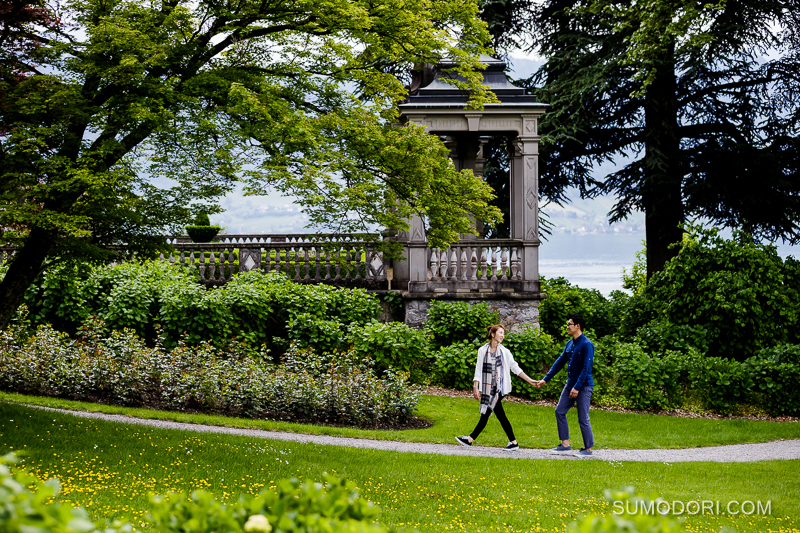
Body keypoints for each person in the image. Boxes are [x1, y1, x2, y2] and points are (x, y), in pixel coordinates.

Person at [455, 324, 539, 451]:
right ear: (493, 334)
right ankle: (513, 442)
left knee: (487, 413)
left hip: (500, 388)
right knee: (499, 415)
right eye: (500, 333)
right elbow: (478, 369)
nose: (502, 336)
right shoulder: (482, 350)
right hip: (488, 388)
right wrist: (475, 386)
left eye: (503, 334)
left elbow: (515, 368)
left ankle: (470, 439)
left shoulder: (505, 352)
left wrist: (530, 380)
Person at [533, 313, 595, 457]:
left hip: (584, 386)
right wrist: (545, 379)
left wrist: (577, 387)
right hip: (570, 385)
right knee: (559, 411)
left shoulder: (587, 344)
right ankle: (565, 445)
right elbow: (559, 363)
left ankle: (588, 450)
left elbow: (586, 368)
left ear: (577, 326)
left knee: (583, 417)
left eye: (569, 324)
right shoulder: (569, 343)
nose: (567, 327)